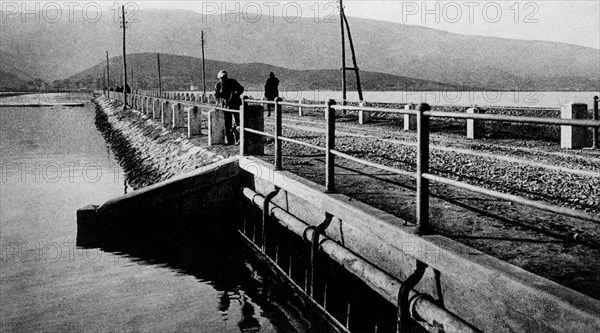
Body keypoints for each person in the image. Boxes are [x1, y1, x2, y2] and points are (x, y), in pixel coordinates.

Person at [214, 70, 244, 145]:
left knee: (237, 123)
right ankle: (230, 140)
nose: (223, 79)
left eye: (224, 77)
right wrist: (223, 100)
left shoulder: (233, 82)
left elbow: (241, 88)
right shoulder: (218, 85)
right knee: (228, 124)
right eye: (221, 78)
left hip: (235, 105)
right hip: (226, 107)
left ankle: (238, 139)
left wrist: (235, 94)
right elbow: (216, 96)